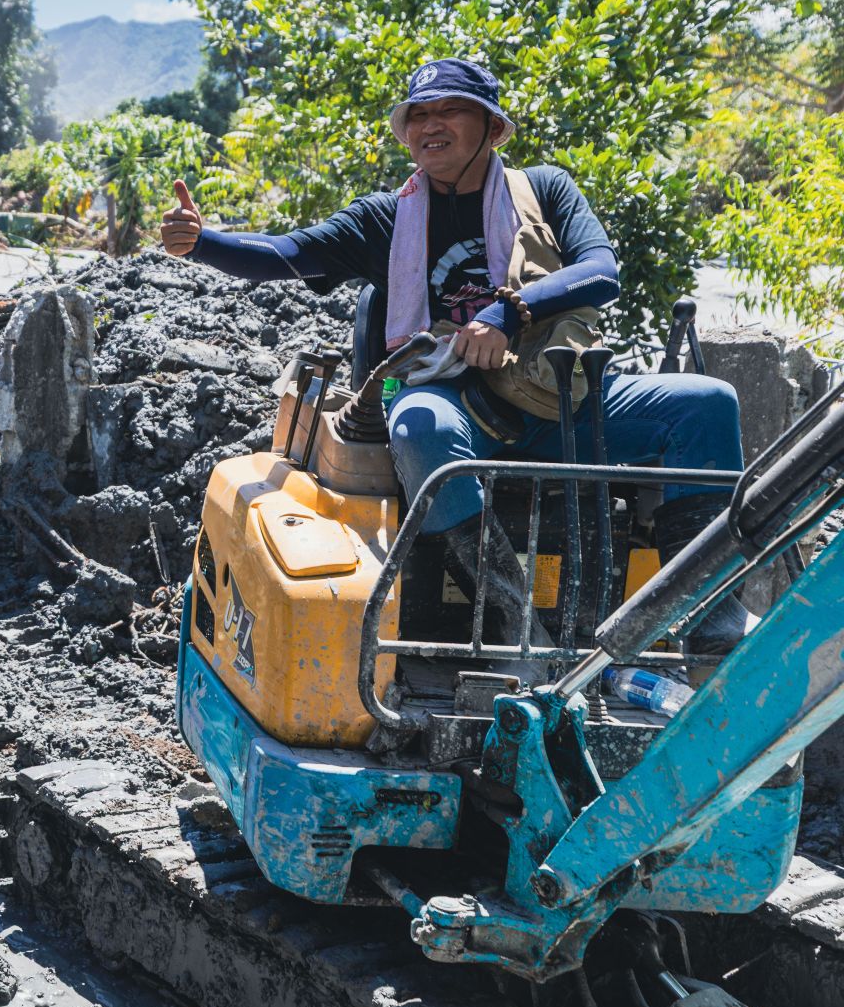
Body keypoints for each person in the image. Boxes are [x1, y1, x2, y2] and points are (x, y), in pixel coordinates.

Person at [159, 57, 746, 650]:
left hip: (554, 391)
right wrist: (202, 242)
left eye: (449, 111)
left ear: (492, 128)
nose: (429, 126)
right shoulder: (385, 219)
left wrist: (507, 313)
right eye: (418, 115)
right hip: (455, 403)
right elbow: (280, 255)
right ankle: (510, 619)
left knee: (706, 405)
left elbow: (601, 271)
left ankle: (710, 621)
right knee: (418, 425)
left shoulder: (544, 190)